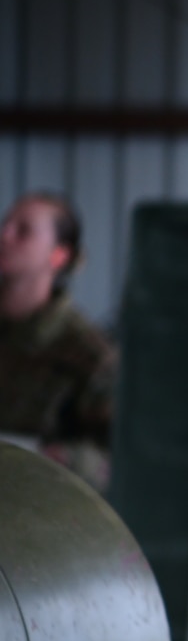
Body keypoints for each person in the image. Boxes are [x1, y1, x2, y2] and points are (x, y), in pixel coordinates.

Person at [0, 192, 115, 491]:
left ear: (58, 255)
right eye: (5, 225)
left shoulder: (87, 353)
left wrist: (56, 457)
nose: (5, 235)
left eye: (23, 231)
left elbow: (115, 455)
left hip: (36, 509)